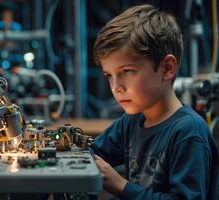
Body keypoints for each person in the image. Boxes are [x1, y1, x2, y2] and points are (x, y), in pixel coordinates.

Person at [91, 4, 219, 200]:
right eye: (109, 75)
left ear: (167, 68)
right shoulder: (131, 121)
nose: (116, 87)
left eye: (127, 71)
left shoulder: (188, 132)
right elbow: (92, 151)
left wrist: (122, 186)